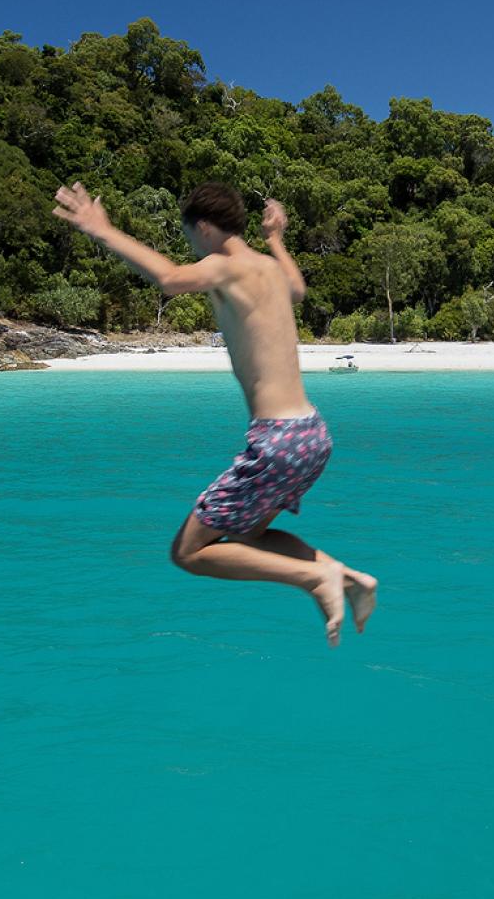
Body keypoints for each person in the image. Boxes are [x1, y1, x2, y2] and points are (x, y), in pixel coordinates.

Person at [54, 181, 377, 645]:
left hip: (277, 440)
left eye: (190, 237)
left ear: (204, 229)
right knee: (247, 537)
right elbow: (299, 290)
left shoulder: (223, 266)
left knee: (188, 553)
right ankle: (343, 576)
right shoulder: (268, 267)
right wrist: (275, 239)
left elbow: (167, 278)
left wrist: (102, 230)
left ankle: (314, 579)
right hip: (312, 434)